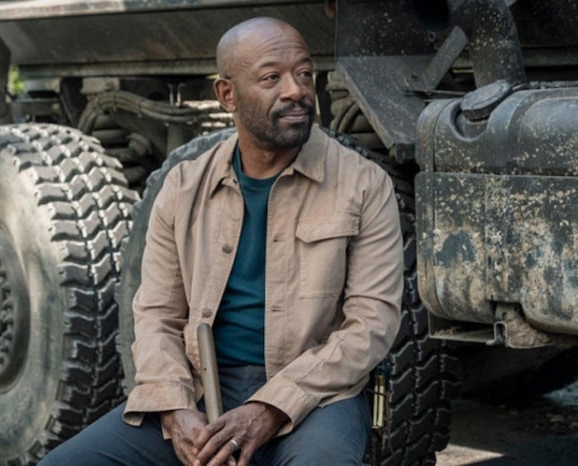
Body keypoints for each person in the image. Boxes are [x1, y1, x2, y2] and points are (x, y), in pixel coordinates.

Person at [40, 16, 403, 466]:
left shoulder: (364, 184)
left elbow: (371, 324)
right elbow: (156, 316)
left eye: (305, 74)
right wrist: (176, 411)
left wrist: (269, 407)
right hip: (199, 389)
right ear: (227, 94)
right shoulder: (183, 187)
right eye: (272, 78)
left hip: (317, 394)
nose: (296, 90)